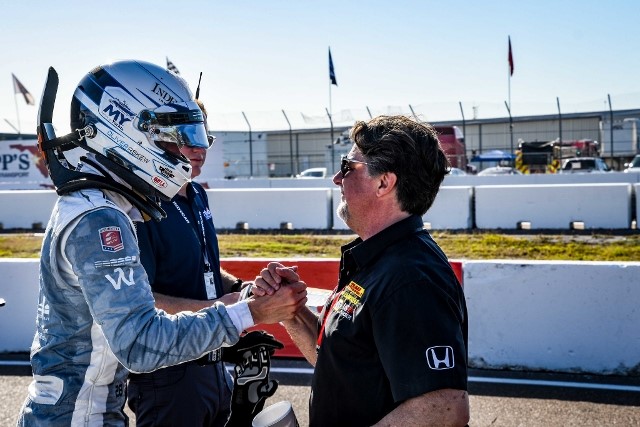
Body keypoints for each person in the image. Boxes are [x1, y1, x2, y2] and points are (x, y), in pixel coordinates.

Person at [17, 60, 306, 426]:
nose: (184, 153)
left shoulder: (103, 207)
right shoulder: (99, 218)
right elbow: (139, 343)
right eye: (172, 140)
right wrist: (247, 313)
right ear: (123, 132)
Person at [255, 115, 470, 426]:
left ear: (384, 182)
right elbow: (343, 362)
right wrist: (291, 310)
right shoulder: (381, 259)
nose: (336, 179)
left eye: (347, 166)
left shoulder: (409, 278)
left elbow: (443, 407)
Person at [126, 98, 242, 426]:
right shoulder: (139, 206)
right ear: (155, 137)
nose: (199, 148)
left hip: (214, 367)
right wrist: (221, 308)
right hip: (170, 375)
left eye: (203, 135)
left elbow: (200, 268)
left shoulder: (195, 193)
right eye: (185, 136)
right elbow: (140, 300)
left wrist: (241, 288)